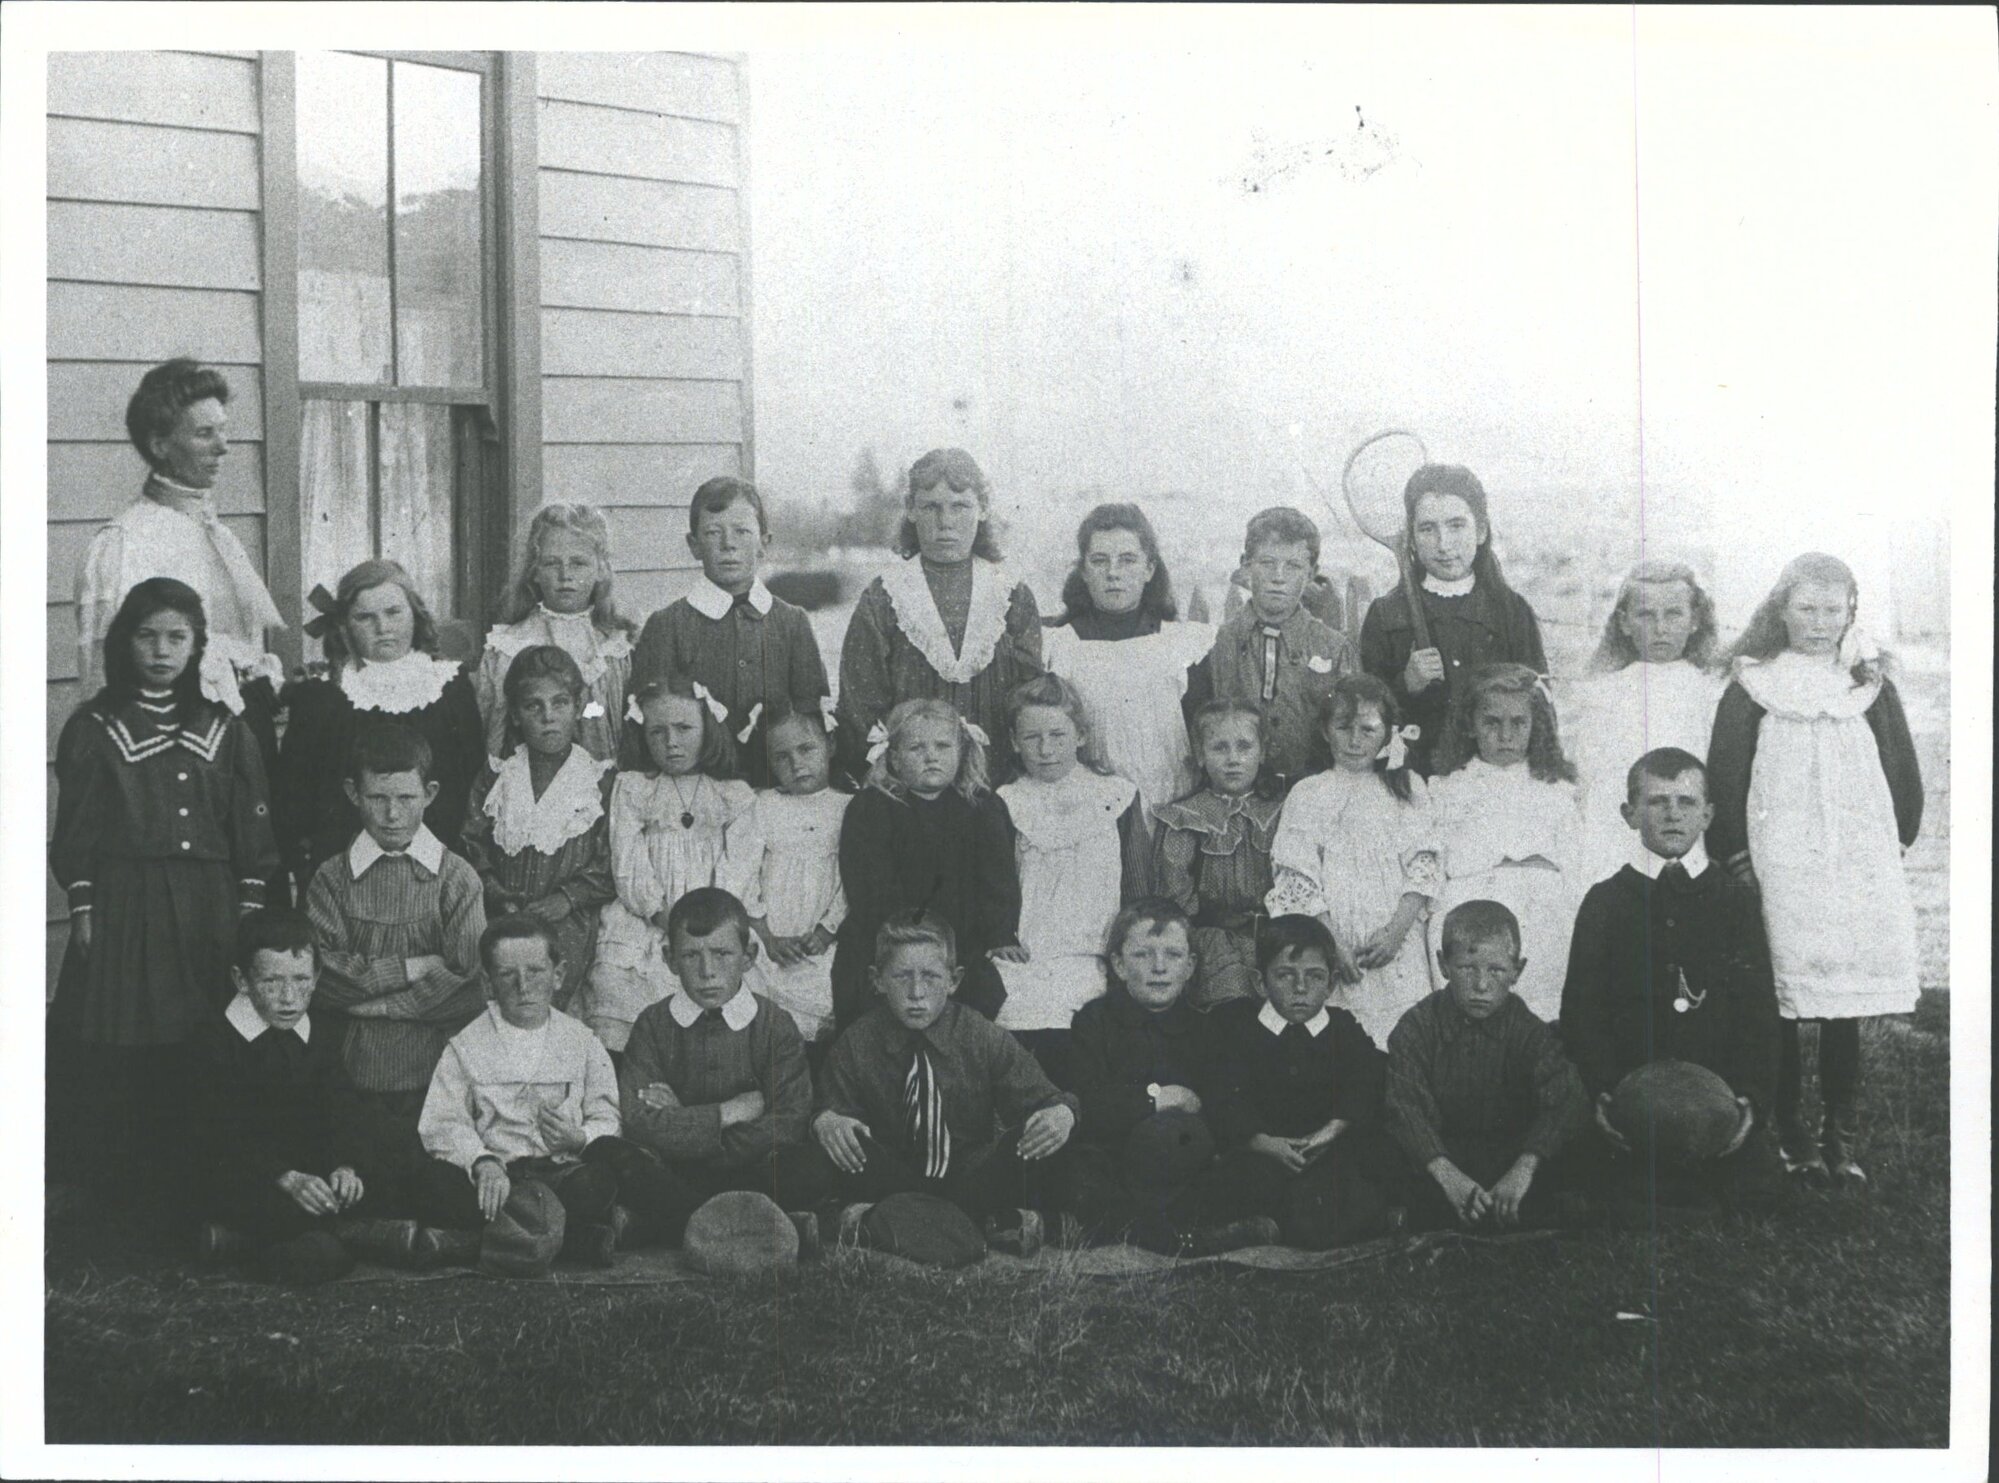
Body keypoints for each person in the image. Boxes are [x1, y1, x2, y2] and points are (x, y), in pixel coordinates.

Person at [48, 578, 278, 1225]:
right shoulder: (97, 728)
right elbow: (77, 834)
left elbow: (251, 831)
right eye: (147, 635)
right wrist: (87, 908)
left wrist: (250, 906)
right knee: (126, 1044)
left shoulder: (223, 727)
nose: (161, 649)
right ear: (126, 641)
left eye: (176, 636)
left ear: (195, 644)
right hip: (127, 906)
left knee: (198, 1039)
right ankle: (124, 1200)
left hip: (208, 907)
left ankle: (196, 1192)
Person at [1706, 553, 1923, 1184]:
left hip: (1853, 860)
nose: (1820, 622)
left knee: (1842, 1001)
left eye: (1833, 610)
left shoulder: (1868, 684)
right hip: (1782, 860)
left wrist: (1896, 838)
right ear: (1781, 610)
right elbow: (1727, 770)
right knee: (1783, 994)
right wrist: (1736, 854)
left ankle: (1841, 1134)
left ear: (1851, 611)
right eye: (1806, 608)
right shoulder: (1754, 684)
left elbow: (1900, 767)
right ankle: (1791, 1131)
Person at [1559, 749, 1785, 1216]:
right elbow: (1582, 1011)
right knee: (1596, 1196)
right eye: (1658, 802)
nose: (1673, 814)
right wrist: (1602, 1089)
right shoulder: (1605, 902)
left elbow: (1758, 1011)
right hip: (1630, 1102)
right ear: (1630, 814)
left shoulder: (1734, 901)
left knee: (1761, 1194)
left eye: (1686, 801)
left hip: (1715, 1099)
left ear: (1708, 815)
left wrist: (1751, 1101)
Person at [188, 909, 455, 1284]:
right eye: (271, 982)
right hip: (253, 1175)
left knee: (401, 1173)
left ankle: (245, 1243)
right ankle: (362, 1237)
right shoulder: (215, 1041)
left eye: (300, 981)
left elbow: (341, 1108)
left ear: (316, 978)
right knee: (301, 1238)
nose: (288, 998)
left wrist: (346, 1165)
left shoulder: (319, 1033)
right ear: (241, 980)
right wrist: (287, 1178)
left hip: (312, 1172)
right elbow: (218, 1133)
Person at [412, 916, 682, 1273]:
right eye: (507, 974)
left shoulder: (582, 1041)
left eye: (536, 971)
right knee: (434, 1181)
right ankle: (573, 1240)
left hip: (560, 1176)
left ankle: (479, 1241)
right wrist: (482, 1161)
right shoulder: (466, 1046)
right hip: (497, 1180)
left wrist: (579, 1137)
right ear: (488, 983)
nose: (523, 986)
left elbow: (607, 1114)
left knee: (598, 1182)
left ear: (558, 975)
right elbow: (443, 1122)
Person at [808, 911, 1078, 1253]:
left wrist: (1061, 1114)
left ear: (954, 980)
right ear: (877, 980)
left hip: (970, 1175)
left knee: (1044, 1142)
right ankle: (988, 1223)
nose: (916, 992)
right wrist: (827, 1121)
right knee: (832, 1151)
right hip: (890, 1174)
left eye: (931, 977)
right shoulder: (857, 1041)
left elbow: (1044, 1098)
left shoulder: (980, 1035)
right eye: (902, 976)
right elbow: (828, 1106)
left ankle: (870, 1222)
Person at [74, 359, 286, 771]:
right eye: (204, 433)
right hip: (176, 752)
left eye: (223, 430)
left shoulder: (215, 531)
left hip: (240, 735)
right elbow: (108, 678)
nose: (224, 446)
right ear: (160, 445)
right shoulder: (125, 543)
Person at [303, 722, 487, 1174]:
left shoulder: (456, 877)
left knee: (435, 1180)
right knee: (362, 1177)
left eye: (406, 798)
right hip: (353, 1067)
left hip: (439, 1069)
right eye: (376, 798)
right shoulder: (331, 878)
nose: (391, 815)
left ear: (430, 793)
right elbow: (321, 977)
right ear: (353, 793)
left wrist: (381, 1007)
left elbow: (469, 982)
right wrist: (409, 968)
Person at [1067, 899, 1279, 1256]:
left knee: (1257, 1171)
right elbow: (1087, 1103)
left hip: (1186, 1170)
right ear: (1118, 964)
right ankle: (1183, 1237)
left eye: (1174, 956)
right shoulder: (1093, 1022)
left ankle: (1147, 1229)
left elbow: (1222, 1102)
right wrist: (1158, 1099)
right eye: (1143, 956)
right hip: (1116, 1161)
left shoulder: (1206, 1028)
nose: (1160, 968)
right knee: (1076, 1171)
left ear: (1190, 966)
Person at [616, 888, 823, 1245]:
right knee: (620, 1158)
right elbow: (639, 1121)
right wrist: (727, 1113)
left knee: (806, 1168)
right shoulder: (652, 1024)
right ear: (669, 959)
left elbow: (789, 1120)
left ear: (749, 956)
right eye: (691, 956)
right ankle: (769, 1227)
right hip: (676, 1171)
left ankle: (666, 1228)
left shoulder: (774, 1024)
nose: (707, 972)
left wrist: (688, 1122)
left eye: (722, 954)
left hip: (748, 1169)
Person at [277, 559, 484, 899]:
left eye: (393, 613)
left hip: (436, 870)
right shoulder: (323, 696)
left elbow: (470, 778)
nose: (383, 627)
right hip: (343, 875)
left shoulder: (448, 687)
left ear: (414, 614)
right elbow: (295, 797)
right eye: (365, 617)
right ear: (344, 624)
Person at [835, 448, 1043, 786]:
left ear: (983, 510)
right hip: (910, 793)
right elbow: (860, 708)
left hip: (999, 785)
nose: (945, 521)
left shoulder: (1012, 596)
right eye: (931, 506)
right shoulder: (884, 597)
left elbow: (1030, 699)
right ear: (911, 511)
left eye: (960, 506)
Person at [1385, 900, 1589, 1231]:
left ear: (1517, 971)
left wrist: (1525, 1167)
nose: (1481, 985)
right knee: (1389, 1150)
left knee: (1573, 1147)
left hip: (1509, 1162)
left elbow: (1566, 1098)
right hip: (1441, 1161)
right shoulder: (1417, 1027)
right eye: (1467, 968)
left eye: (1495, 971)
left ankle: (1500, 1208)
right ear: (1443, 964)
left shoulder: (1529, 1031)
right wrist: (1446, 1175)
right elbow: (1404, 1105)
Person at [1041, 503, 1215, 890]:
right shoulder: (1059, 647)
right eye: (1099, 560)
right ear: (1083, 571)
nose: (1114, 573)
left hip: (1172, 815)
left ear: (1150, 569)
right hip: (1091, 819)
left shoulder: (1180, 644)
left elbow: (1203, 737)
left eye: (1127, 559)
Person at [582, 675, 757, 1056]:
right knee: (624, 987)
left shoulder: (733, 795)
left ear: (707, 729)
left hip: (714, 920)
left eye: (683, 729)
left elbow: (738, 868)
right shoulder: (634, 788)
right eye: (657, 732)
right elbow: (628, 863)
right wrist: (661, 914)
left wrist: (706, 924)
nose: (671, 742)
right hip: (650, 917)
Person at [1267, 675, 1441, 1046]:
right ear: (1326, 731)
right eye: (1343, 728)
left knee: (1405, 1041)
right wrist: (1332, 945)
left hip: (1397, 942)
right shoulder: (1309, 793)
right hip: (1335, 946)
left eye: (1367, 729)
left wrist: (1396, 932)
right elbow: (1297, 876)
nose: (1355, 740)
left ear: (1388, 732)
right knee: (1345, 1045)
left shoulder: (1407, 786)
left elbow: (1425, 863)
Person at [1205, 916, 1396, 1248]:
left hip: (1325, 1153)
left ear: (1331, 983)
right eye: (1285, 975)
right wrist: (1263, 1142)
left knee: (1350, 1179)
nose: (1301, 988)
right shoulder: (1239, 1030)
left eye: (1314, 976)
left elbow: (1367, 1079)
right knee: (1242, 1182)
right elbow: (1223, 1096)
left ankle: (1279, 1229)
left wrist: (1332, 1131)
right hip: (1263, 1153)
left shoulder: (1342, 1028)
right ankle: (1261, 1227)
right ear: (1260, 982)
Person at [830, 698, 1020, 1028]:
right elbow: (869, 888)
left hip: (962, 939)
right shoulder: (871, 808)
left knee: (976, 1001)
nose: (931, 756)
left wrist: (999, 934)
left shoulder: (983, 807)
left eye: (943, 746)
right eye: (916, 747)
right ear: (893, 757)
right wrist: (913, 941)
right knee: (872, 1002)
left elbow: (998, 881)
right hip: (888, 934)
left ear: (961, 752)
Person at [992, 674, 1143, 1087]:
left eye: (1058, 734)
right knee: (1016, 1030)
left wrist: (1125, 953)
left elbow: (1137, 886)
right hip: (1027, 952)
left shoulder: (1115, 796)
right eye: (1032, 737)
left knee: (1085, 1041)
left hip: (1094, 951)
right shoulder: (1006, 802)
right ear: (1014, 741)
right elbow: (993, 882)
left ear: (1080, 735)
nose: (1045, 749)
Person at [631, 478, 831, 790]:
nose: (728, 544)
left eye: (741, 531)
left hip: (775, 793)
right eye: (713, 533)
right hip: (693, 795)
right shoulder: (666, 625)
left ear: (764, 542)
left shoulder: (792, 623)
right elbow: (647, 723)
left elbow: (811, 719)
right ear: (694, 545)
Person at [1358, 464, 1548, 776]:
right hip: (1413, 780)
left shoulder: (1511, 611)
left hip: (1496, 779)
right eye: (1428, 528)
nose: (1443, 544)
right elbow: (1364, 717)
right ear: (1412, 536)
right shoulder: (1386, 614)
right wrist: (1406, 685)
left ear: (1481, 530)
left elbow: (1538, 705)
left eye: (1456, 525)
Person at [460, 646, 617, 1013]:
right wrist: (496, 891)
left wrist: (566, 899)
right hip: (503, 914)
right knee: (499, 995)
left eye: (560, 704)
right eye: (534, 707)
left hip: (568, 923)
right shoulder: (497, 775)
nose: (548, 717)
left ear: (578, 708)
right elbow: (470, 842)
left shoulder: (600, 781)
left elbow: (611, 860)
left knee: (551, 995)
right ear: (515, 714)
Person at [1427, 663, 1583, 1023]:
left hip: (1544, 920)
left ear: (1535, 725)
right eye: (1492, 723)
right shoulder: (1448, 789)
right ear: (1470, 725)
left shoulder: (1557, 791)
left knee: (1539, 1019)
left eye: (1518, 723)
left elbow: (1577, 871)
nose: (1505, 735)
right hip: (1470, 914)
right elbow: (1436, 870)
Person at [1569, 560, 1725, 883]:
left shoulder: (1711, 692)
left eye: (1673, 614)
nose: (1660, 628)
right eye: (1645, 615)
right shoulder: (1601, 694)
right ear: (1624, 623)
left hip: (1687, 829)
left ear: (1695, 620)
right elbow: (1588, 777)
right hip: (1618, 833)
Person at [1184, 506, 1359, 790]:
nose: (1279, 576)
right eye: (1266, 563)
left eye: (1293, 566)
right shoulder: (1214, 646)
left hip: (1312, 794)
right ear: (1245, 565)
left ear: (1312, 573)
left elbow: (1350, 731)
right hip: (1236, 797)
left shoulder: (1334, 648)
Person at [1153, 701, 1290, 1011]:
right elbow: (1176, 898)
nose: (1233, 759)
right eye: (1219, 748)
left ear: (1262, 752)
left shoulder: (1284, 809)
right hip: (1216, 943)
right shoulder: (1186, 817)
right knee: (1233, 1016)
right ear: (1200, 755)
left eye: (1244, 747)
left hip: (1279, 939)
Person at [474, 503, 636, 763]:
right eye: (551, 563)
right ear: (534, 571)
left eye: (578, 563)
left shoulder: (614, 647)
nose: (565, 575)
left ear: (600, 570)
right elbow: (492, 733)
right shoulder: (509, 646)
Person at [740, 704, 851, 1056]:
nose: (796, 763)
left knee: (819, 1005)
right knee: (758, 1004)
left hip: (821, 939)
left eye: (806, 749)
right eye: (782, 757)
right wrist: (764, 934)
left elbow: (853, 879)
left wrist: (827, 929)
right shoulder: (763, 804)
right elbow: (742, 872)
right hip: (769, 937)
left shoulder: (850, 806)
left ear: (829, 745)